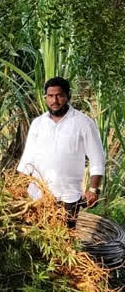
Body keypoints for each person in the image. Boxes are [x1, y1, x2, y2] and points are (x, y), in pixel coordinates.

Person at [17, 76, 105, 227]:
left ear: (68, 96)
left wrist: (93, 189)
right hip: (38, 195)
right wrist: (19, 187)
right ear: (45, 98)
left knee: (64, 241)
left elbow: (97, 159)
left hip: (68, 197)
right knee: (36, 240)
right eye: (50, 96)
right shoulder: (38, 124)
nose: (54, 101)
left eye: (59, 95)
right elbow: (27, 159)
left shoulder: (83, 123)